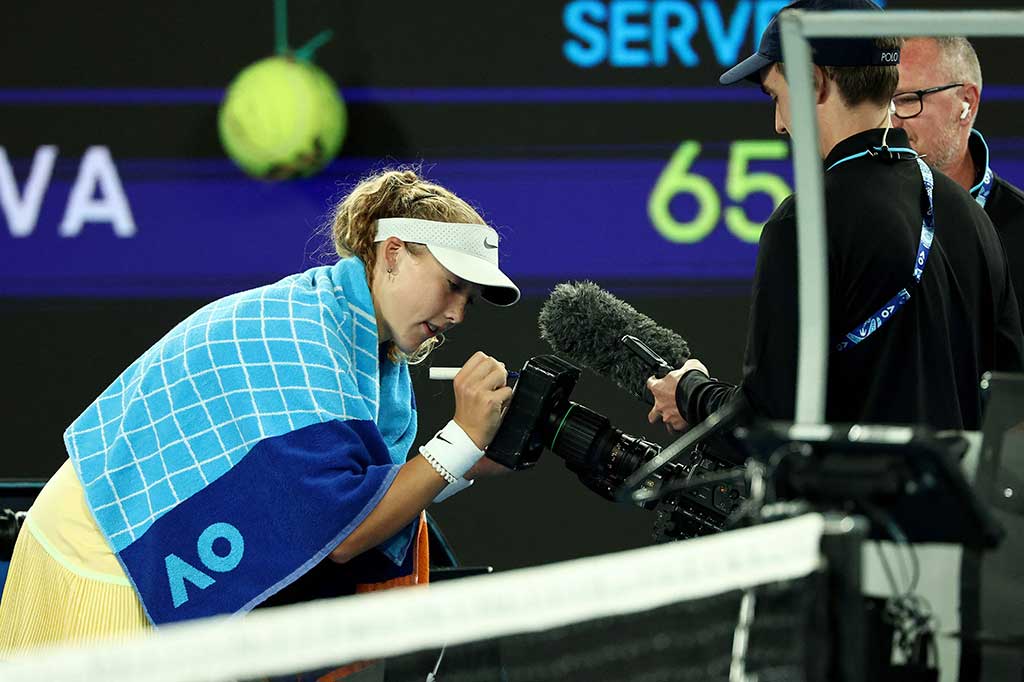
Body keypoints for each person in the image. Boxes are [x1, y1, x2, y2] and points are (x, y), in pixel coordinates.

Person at [0, 169, 520, 654]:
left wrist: (468, 457)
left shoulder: (364, 352)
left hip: (139, 550)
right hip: (100, 553)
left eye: (470, 301)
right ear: (392, 253)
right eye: (452, 284)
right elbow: (339, 527)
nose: (456, 313)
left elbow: (350, 497)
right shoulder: (305, 331)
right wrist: (459, 442)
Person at [646, 0, 1022, 434]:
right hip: (958, 502)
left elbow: (770, 424)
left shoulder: (804, 222)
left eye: (777, 97)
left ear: (812, 81)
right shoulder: (972, 217)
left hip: (852, 503)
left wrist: (690, 394)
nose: (779, 124)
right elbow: (1010, 403)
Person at [893, 36, 1024, 320]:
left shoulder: (1019, 228)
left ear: (966, 102)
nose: (891, 122)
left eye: (906, 100)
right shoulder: (856, 222)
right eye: (881, 103)